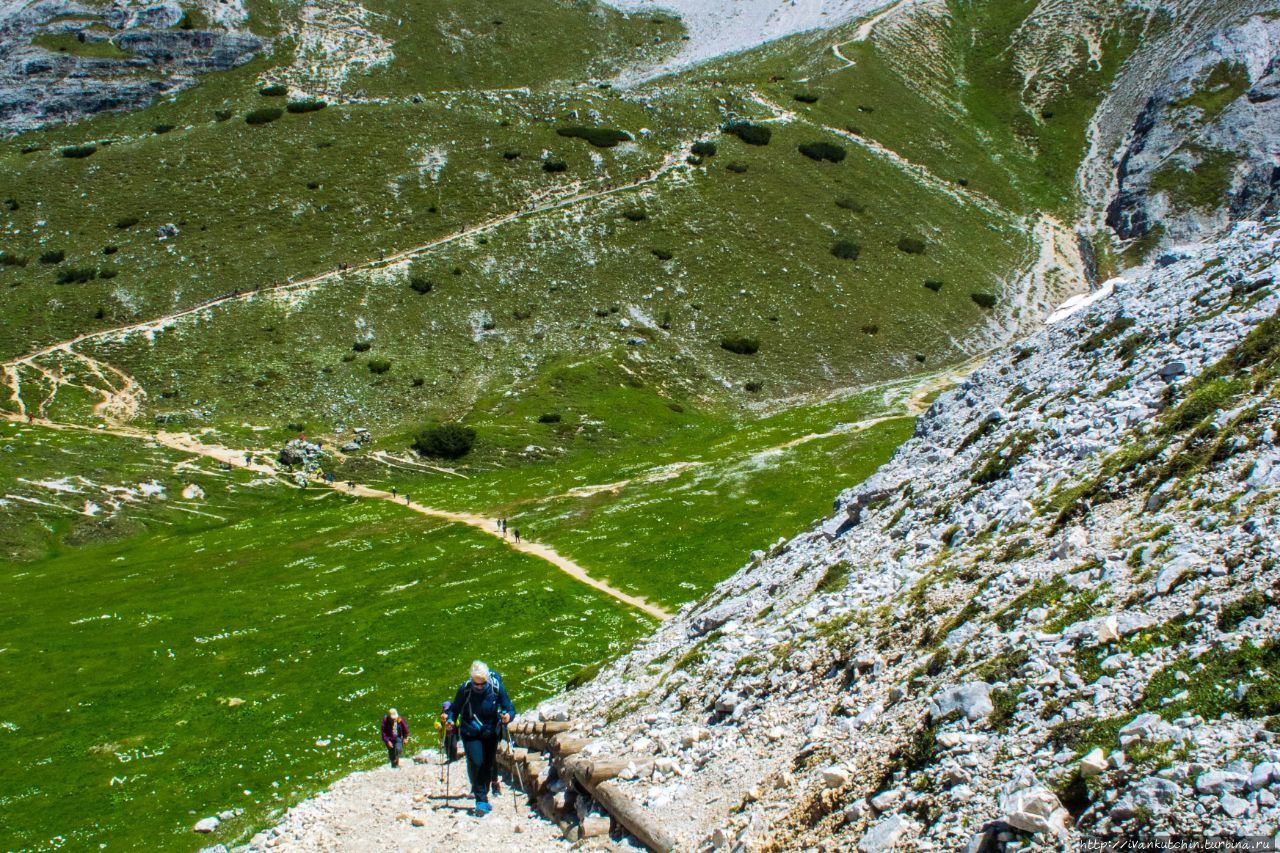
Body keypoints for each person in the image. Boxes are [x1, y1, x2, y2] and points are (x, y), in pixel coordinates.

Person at [442, 661, 515, 815]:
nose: (479, 687)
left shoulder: (496, 687)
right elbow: (454, 709)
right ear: (472, 679)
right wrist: (450, 721)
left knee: (487, 765)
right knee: (476, 762)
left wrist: (508, 716)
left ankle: (483, 793)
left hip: (490, 732)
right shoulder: (465, 689)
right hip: (470, 731)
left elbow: (509, 707)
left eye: (482, 684)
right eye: (477, 684)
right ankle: (480, 800)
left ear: (487, 679)